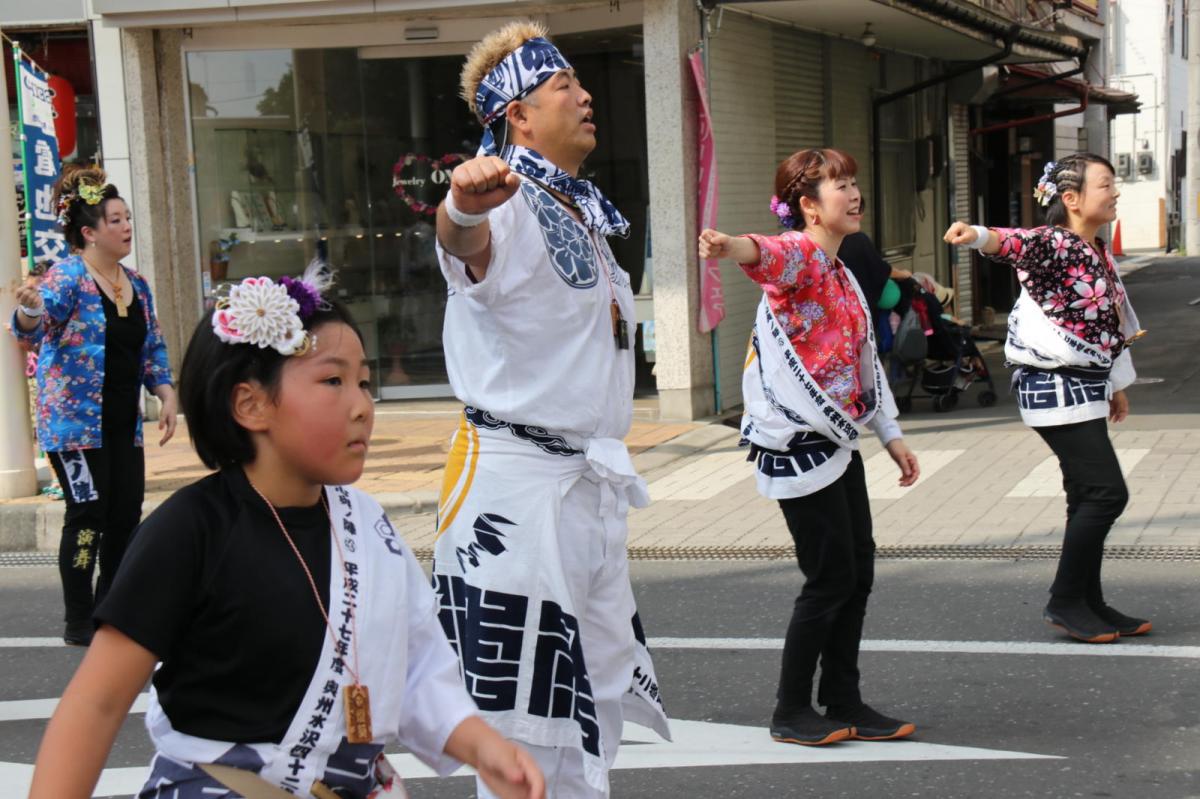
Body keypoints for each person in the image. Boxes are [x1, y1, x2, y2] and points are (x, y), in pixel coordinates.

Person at [27, 267, 545, 799]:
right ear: (251, 404)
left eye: (364, 382)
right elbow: (97, 703)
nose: (362, 406)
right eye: (333, 381)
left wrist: (484, 747)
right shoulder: (189, 531)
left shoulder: (368, 526)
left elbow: (419, 671)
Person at [432, 21, 669, 798]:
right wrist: (461, 205)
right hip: (516, 488)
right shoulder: (504, 197)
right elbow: (461, 241)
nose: (586, 95)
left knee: (594, 691)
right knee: (521, 716)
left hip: (585, 481)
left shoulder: (578, 208)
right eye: (564, 85)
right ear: (519, 116)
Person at [698, 147, 921, 747]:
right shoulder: (801, 255)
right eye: (838, 184)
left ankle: (843, 699)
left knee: (857, 572)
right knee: (829, 578)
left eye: (852, 181)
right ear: (808, 206)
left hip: (836, 440)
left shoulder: (843, 269)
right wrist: (730, 246)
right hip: (797, 443)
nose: (853, 193)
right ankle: (792, 708)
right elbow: (766, 252)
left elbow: (862, 363)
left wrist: (891, 435)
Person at [943, 153, 1147, 644]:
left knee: (1086, 495)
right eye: (1106, 184)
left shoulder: (1096, 247)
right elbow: (1017, 242)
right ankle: (1066, 600)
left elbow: (1110, 322)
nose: (1115, 192)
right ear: (1071, 198)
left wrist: (1117, 384)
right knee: (1107, 493)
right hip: (1054, 382)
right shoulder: (1055, 243)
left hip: (1085, 381)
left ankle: (1089, 601)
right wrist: (977, 235)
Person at [10, 164, 177, 647]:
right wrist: (29, 309)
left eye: (127, 219)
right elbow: (32, 325)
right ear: (89, 232)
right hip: (74, 428)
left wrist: (165, 391)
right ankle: (79, 618)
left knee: (125, 515)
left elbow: (152, 345)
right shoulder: (66, 278)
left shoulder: (136, 283)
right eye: (116, 220)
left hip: (123, 423)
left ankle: (111, 607)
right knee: (88, 514)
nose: (126, 227)